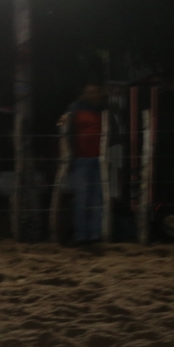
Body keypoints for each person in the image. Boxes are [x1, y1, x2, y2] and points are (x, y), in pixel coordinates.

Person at [62, 82, 105, 243]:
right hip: (80, 160)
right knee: (81, 198)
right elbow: (64, 128)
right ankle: (80, 235)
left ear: (100, 93)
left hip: (100, 160)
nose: (92, 95)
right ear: (84, 94)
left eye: (95, 92)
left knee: (97, 199)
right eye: (89, 92)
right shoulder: (75, 108)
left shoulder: (104, 109)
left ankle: (94, 235)